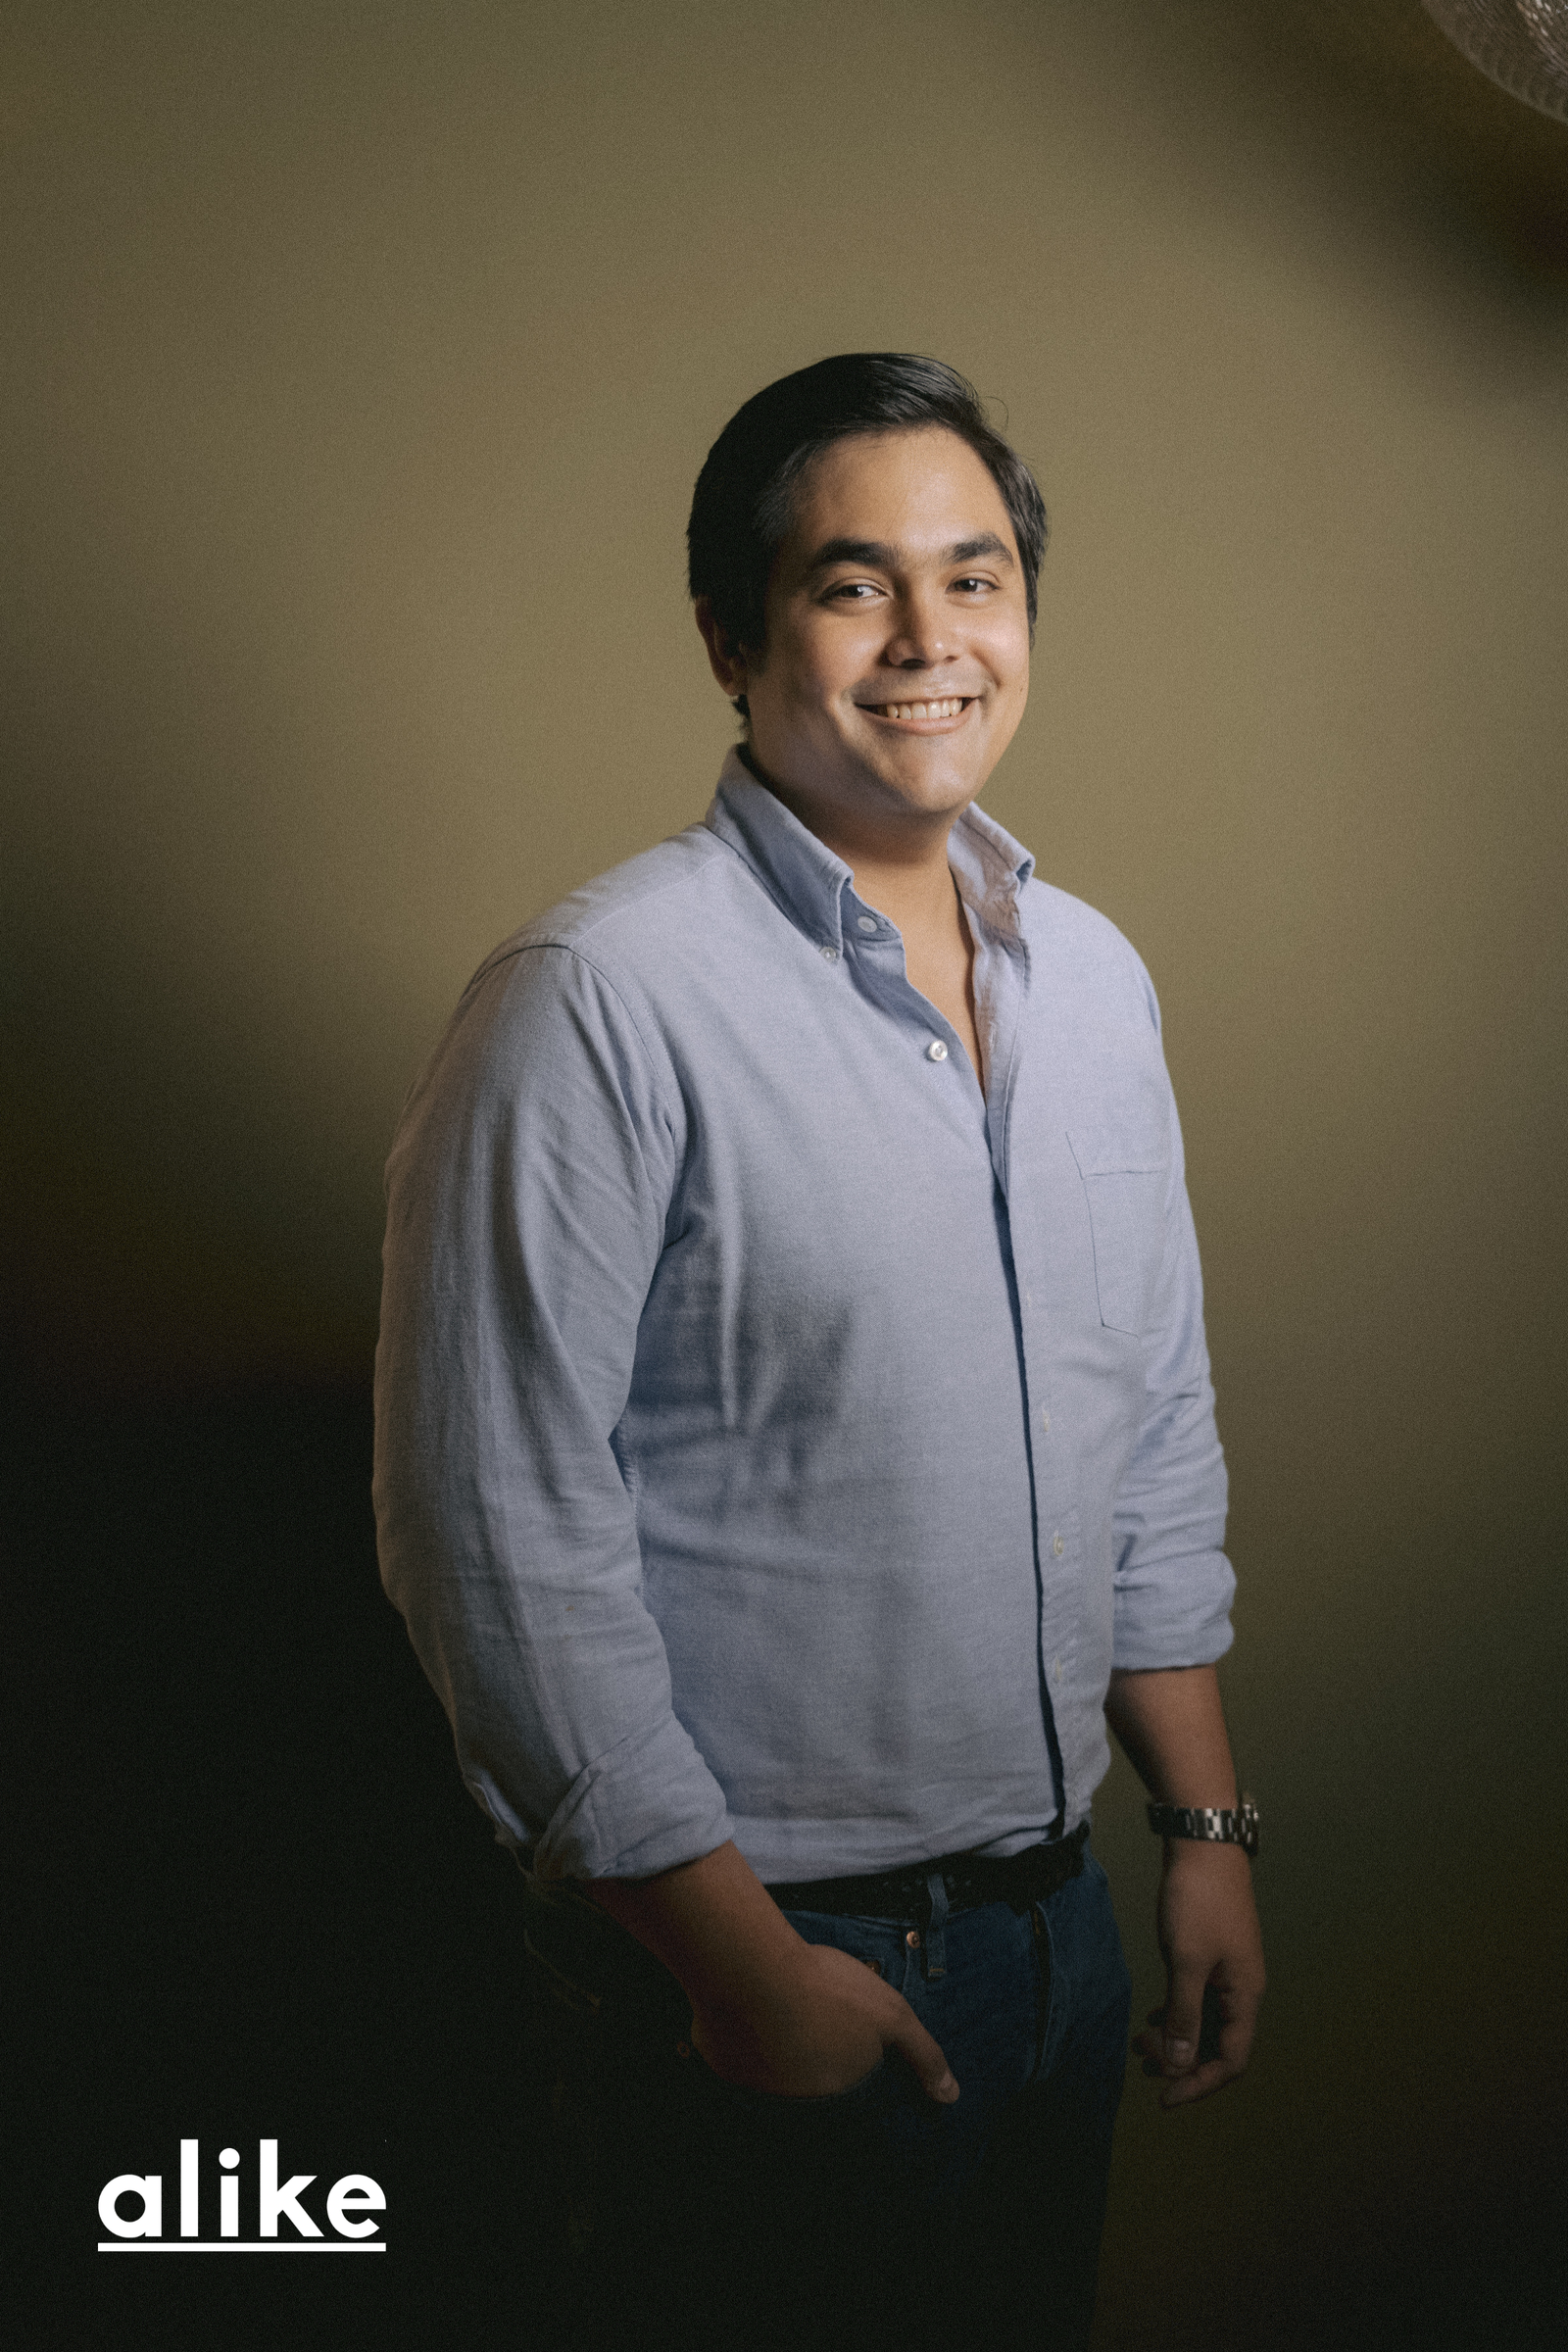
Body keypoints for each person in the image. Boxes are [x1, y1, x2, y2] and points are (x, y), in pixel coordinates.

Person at [373, 354, 1265, 2349]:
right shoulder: (595, 1001)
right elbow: (490, 1536)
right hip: (758, 1964)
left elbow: (1147, 1429)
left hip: (1064, 1937)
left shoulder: (1093, 982)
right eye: (855, 585)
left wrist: (1200, 1833)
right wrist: (734, 1970)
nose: (931, 639)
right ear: (730, 636)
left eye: (976, 577)